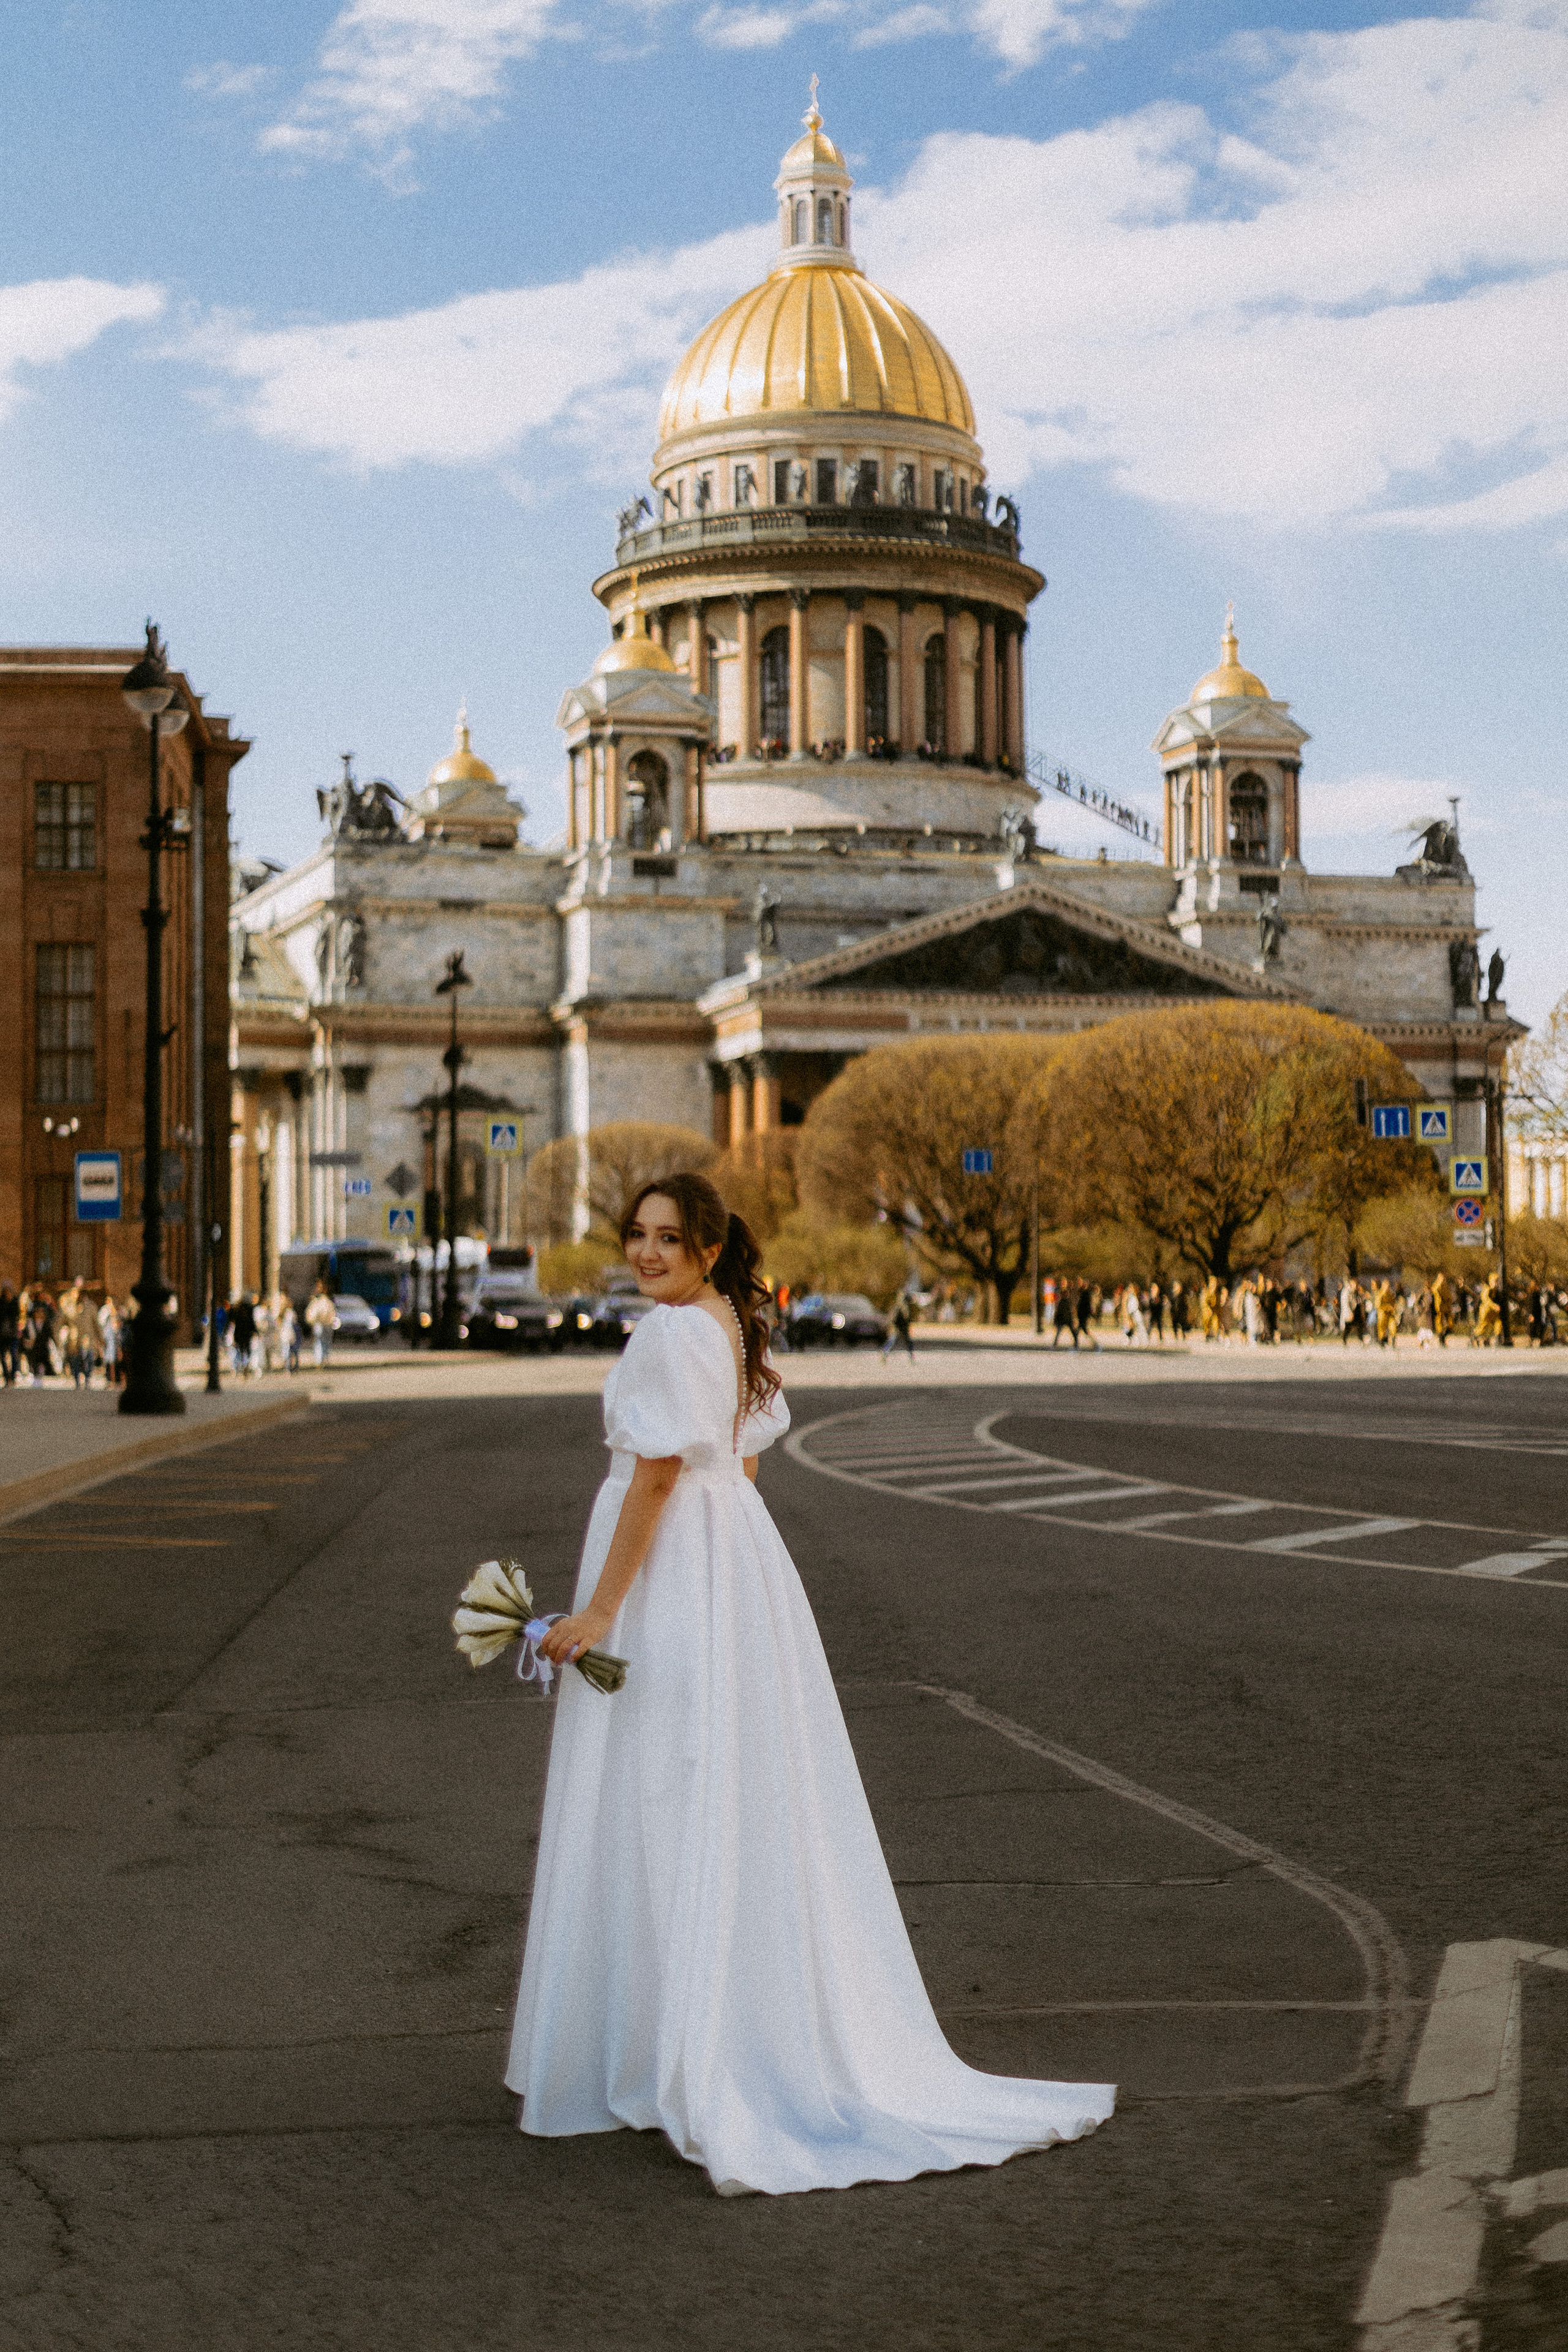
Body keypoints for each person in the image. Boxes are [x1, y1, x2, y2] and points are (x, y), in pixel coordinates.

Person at [507, 1171, 1114, 2196]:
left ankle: (669, 2047)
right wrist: (708, 1545)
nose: (647, 1253)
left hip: (666, 1569)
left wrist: (604, 1610)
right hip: (730, 1564)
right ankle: (718, 2028)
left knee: (660, 1789)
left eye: (668, 1237)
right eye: (637, 1236)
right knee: (726, 1780)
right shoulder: (729, 1324)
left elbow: (658, 1474)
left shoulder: (668, 1336)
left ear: (706, 1245)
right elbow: (736, 1468)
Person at [305, 1281, 336, 1366]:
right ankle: (324, 1359)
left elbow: (312, 1313)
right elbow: (333, 1314)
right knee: (325, 1342)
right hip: (326, 1324)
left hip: (319, 1324)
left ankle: (319, 1360)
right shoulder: (327, 1302)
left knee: (319, 1342)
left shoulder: (318, 1301)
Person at [228, 1291, 258, 1376]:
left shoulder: (237, 1309)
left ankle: (242, 1365)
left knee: (241, 1350)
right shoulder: (248, 1309)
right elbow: (252, 1322)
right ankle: (245, 1365)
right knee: (246, 1350)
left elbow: (232, 1322)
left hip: (239, 1333)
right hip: (246, 1333)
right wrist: (255, 1331)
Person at [882, 1294, 916, 1361]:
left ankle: (885, 1352)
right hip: (900, 1326)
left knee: (895, 1340)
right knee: (897, 1340)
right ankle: (885, 1352)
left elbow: (898, 1316)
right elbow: (904, 1316)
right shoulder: (902, 1306)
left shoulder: (901, 1306)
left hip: (900, 1326)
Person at [0, 1280, 20, 1385]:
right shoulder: (1, 1302)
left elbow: (17, 1315)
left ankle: (13, 1376)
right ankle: (6, 1377)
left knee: (14, 1354)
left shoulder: (15, 1301)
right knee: (3, 1356)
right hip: (2, 1333)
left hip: (12, 1332)